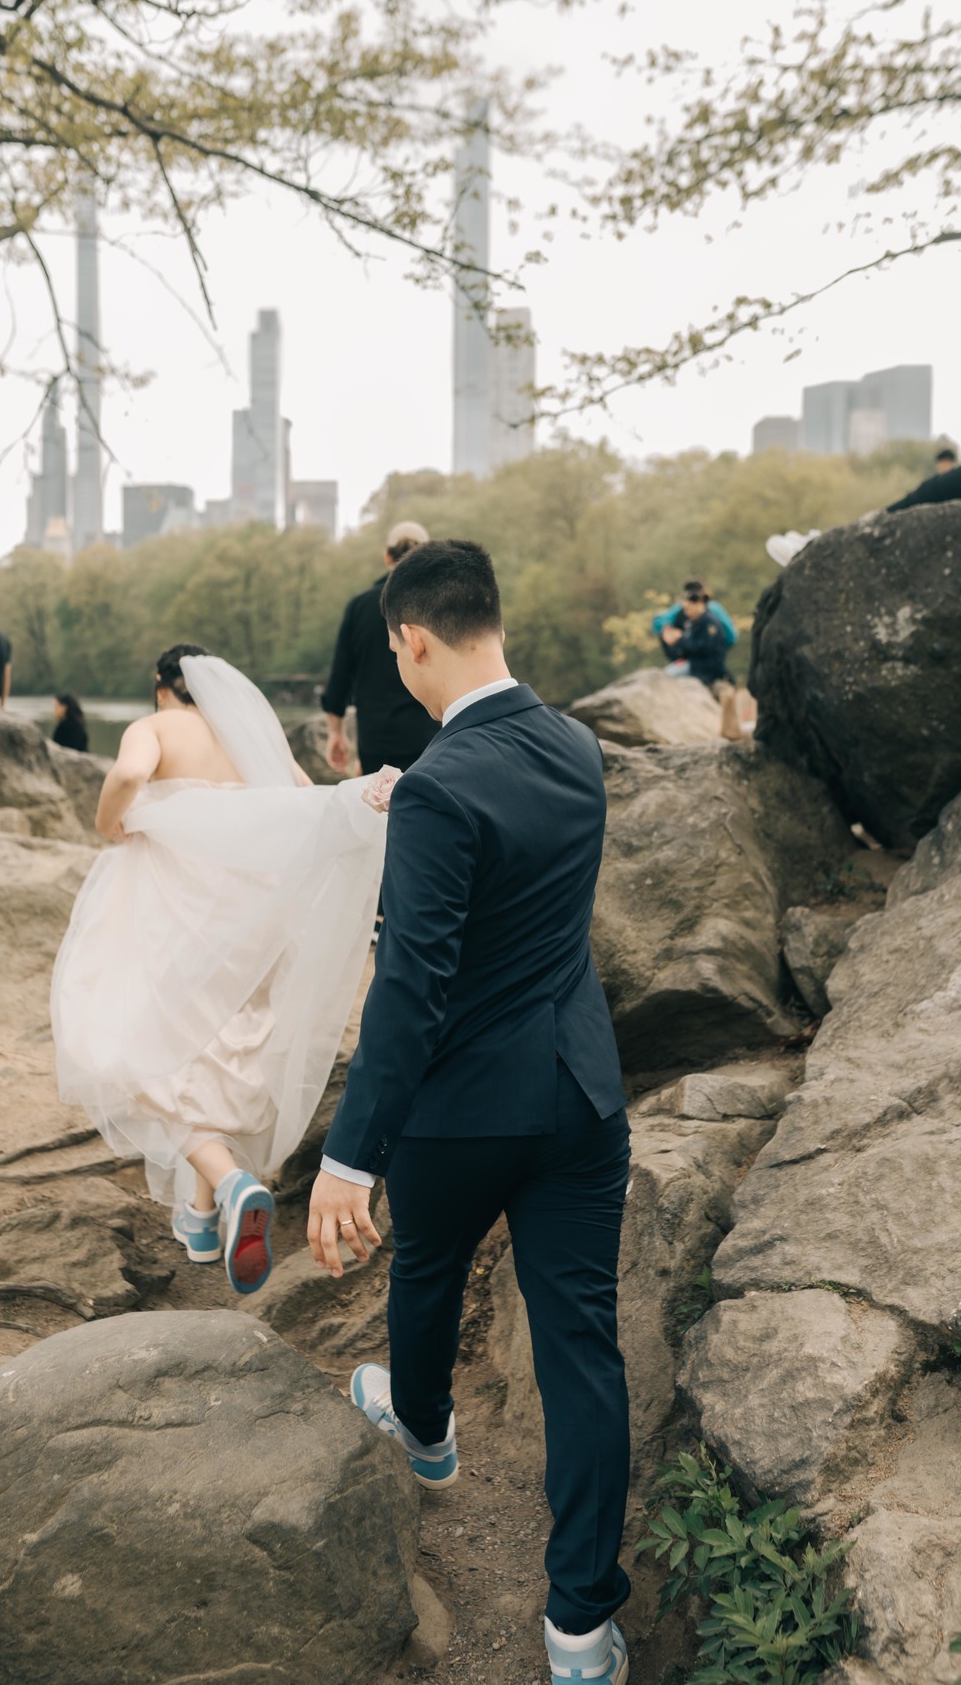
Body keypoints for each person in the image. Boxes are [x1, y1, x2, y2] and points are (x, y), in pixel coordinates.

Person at [307, 541, 631, 1685]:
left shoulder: (444, 784)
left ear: (412, 640)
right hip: (580, 1097)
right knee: (582, 1348)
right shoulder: (574, 745)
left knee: (428, 1266)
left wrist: (350, 1155)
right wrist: (417, 800)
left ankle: (429, 1436)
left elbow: (411, 989)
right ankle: (581, 1627)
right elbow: (517, 859)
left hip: (461, 1112)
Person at [51, 644, 392, 1298]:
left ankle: (234, 1185)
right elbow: (304, 799)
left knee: (136, 1056)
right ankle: (202, 1222)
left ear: (162, 687)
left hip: (175, 906)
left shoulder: (157, 727)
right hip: (251, 917)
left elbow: (126, 775)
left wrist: (109, 823)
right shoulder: (250, 735)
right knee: (212, 1056)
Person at [322, 521, 438, 777]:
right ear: (426, 555)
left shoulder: (360, 607)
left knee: (378, 812)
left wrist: (335, 734)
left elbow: (340, 676)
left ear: (387, 556)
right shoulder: (437, 606)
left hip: (376, 740)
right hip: (428, 737)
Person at [659, 584, 732, 688]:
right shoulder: (694, 622)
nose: (686, 612)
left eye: (688, 608)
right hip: (694, 663)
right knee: (664, 674)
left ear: (699, 604)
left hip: (705, 666)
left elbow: (703, 648)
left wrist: (680, 639)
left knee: (667, 677)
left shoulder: (708, 621)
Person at [652, 581, 736, 652]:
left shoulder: (712, 608)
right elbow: (659, 620)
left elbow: (730, 637)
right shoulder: (681, 608)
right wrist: (669, 630)